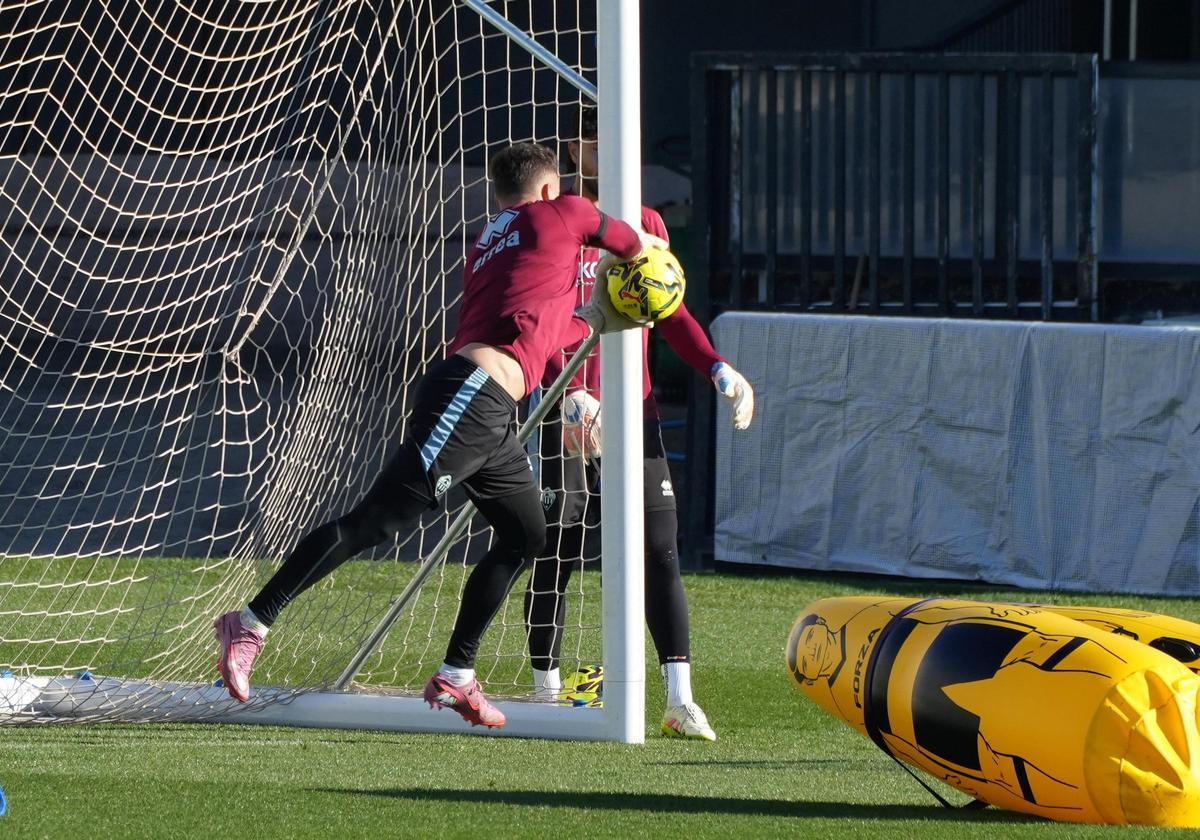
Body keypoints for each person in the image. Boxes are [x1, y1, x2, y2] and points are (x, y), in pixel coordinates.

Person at [213, 141, 653, 728]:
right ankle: (251, 622)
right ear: (551, 188)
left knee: (525, 535)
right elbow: (631, 243)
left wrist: (592, 319)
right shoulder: (565, 210)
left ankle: (457, 674)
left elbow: (538, 331)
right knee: (376, 522)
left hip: (491, 408)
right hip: (470, 397)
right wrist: (650, 276)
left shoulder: (491, 240)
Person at [524, 106, 755, 741]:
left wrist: (716, 367)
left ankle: (680, 700)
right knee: (561, 538)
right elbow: (537, 317)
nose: (611, 152)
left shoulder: (648, 224)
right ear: (578, 150)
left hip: (636, 410)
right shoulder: (558, 222)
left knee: (660, 546)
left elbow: (669, 310)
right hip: (569, 409)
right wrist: (567, 390)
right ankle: (546, 690)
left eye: (622, 140)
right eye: (598, 142)